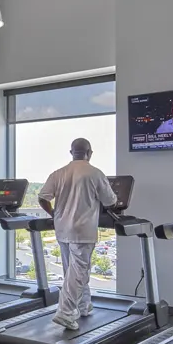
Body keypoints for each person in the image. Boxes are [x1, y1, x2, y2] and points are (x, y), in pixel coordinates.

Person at [38, 138, 117, 331]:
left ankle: (83, 306)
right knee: (79, 272)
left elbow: (42, 198)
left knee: (72, 271)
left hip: (62, 229)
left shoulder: (58, 173)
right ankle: (65, 312)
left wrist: (54, 214)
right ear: (90, 153)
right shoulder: (95, 173)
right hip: (83, 230)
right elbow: (111, 202)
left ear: (71, 152)